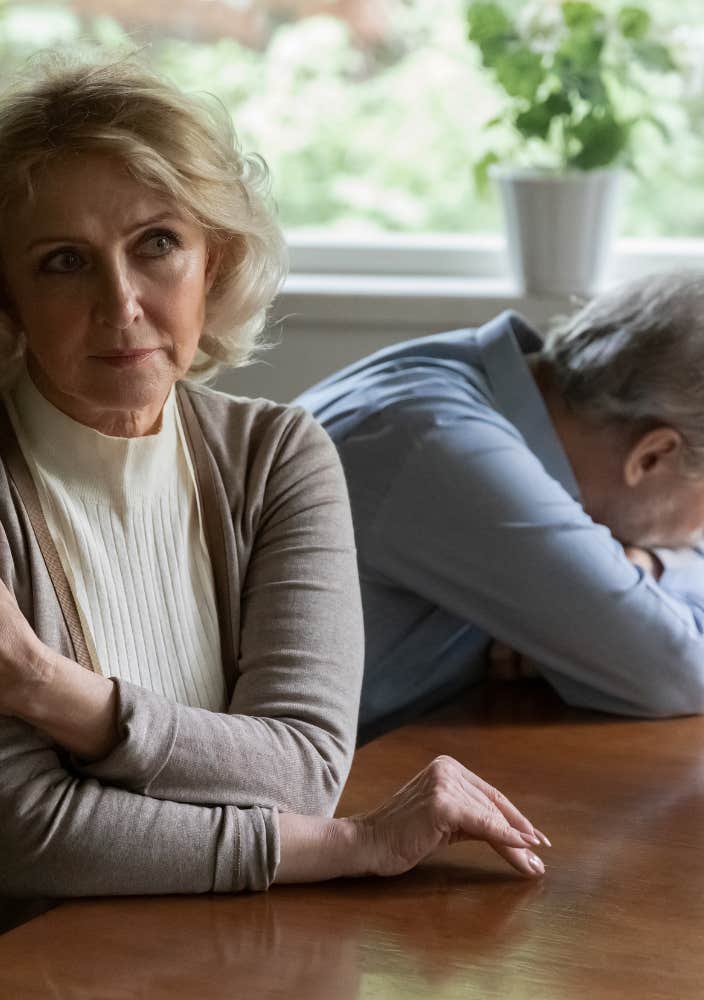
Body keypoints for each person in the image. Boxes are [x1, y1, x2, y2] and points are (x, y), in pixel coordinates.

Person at [0, 57, 548, 899]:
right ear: (9, 298)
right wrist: (345, 846)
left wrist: (47, 688)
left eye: (157, 244)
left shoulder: (278, 456)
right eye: (64, 262)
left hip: (247, 945)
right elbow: (29, 836)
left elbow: (300, 773)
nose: (122, 305)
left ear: (213, 262)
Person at [295, 272, 704, 738]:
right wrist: (619, 618)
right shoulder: (439, 442)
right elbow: (680, 674)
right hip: (290, 809)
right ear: (653, 456)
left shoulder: (515, 394)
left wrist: (649, 569)